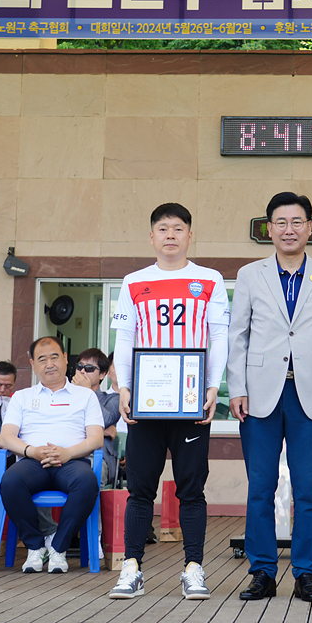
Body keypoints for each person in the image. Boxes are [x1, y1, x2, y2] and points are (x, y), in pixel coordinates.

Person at [227, 192, 312, 602]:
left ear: (311, 226)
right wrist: (237, 388)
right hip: (260, 394)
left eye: (297, 221)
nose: (289, 229)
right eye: (280, 222)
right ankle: (262, 571)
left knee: (308, 490)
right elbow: (237, 337)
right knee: (260, 487)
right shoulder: (249, 275)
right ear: (268, 228)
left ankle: (306, 574)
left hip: (309, 395)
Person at [109, 203, 230, 601]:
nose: (171, 235)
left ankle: (194, 567)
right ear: (152, 236)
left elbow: (219, 337)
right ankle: (132, 567)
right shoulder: (132, 282)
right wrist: (123, 387)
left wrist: (214, 386)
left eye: (178, 228)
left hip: (191, 400)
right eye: (163, 229)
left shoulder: (209, 279)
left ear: (190, 235)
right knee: (141, 487)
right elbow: (124, 341)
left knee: (191, 489)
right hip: (145, 400)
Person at [0, 336, 104, 574]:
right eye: (42, 359)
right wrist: (32, 451)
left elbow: (96, 438)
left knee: (87, 482)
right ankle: (35, 546)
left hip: (72, 461)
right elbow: (5, 438)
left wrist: (67, 453)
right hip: (33, 462)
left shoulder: (85, 395)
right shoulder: (22, 397)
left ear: (66, 360)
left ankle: (58, 547)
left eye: (55, 357)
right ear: (32, 363)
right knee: (11, 482)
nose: (49, 364)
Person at [70, 348, 121, 486]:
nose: (82, 372)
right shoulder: (64, 397)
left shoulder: (113, 399)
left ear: (103, 374)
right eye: (80, 367)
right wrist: (102, 431)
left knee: (90, 478)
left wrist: (87, 392)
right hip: (66, 454)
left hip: (95, 457)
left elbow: (105, 420)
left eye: (90, 368)